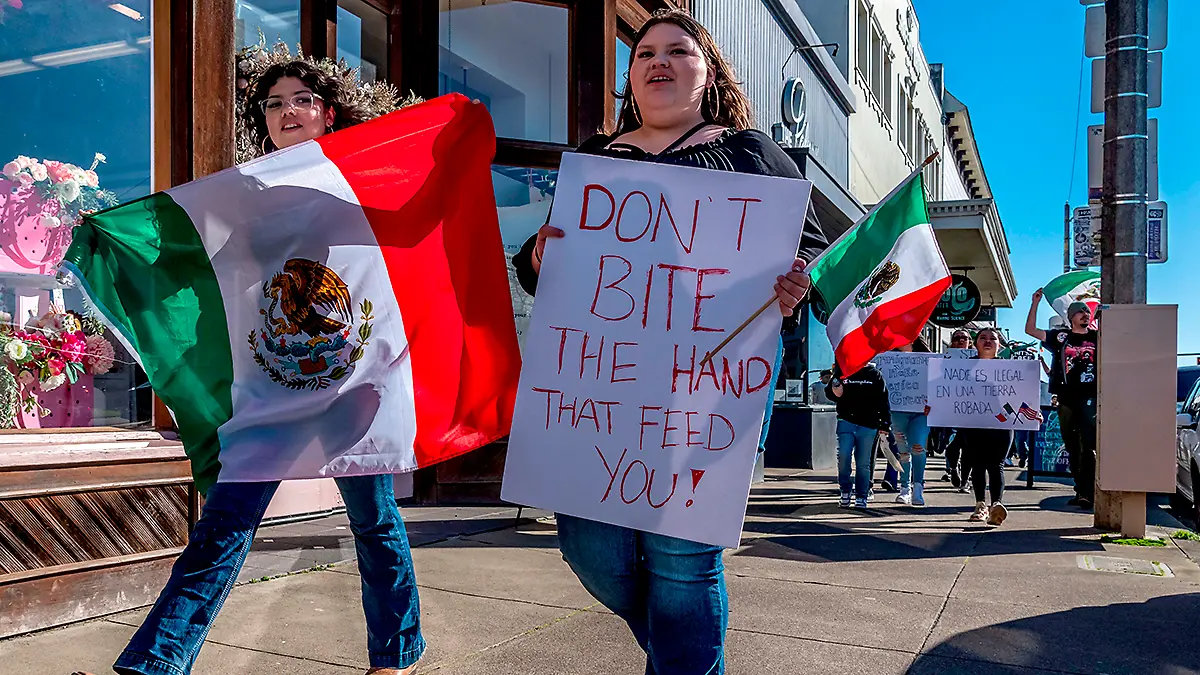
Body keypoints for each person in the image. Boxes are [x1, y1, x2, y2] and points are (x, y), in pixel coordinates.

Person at [79, 61, 425, 675]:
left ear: (329, 111)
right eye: (273, 103)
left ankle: (394, 658)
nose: (287, 109)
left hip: (356, 382)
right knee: (225, 524)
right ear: (262, 121)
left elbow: (417, 228)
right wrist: (117, 235)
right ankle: (155, 664)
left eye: (302, 98)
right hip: (273, 383)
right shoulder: (242, 191)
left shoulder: (361, 178)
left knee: (374, 520)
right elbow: (199, 265)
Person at [511, 10, 827, 673]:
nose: (658, 60)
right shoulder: (598, 159)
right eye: (644, 51)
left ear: (707, 71)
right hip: (603, 386)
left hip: (710, 383)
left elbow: (814, 256)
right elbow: (543, 265)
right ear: (630, 76)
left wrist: (797, 282)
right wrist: (540, 258)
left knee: (683, 558)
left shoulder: (749, 153)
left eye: (678, 51)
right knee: (588, 548)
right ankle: (681, 653)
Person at [1026, 291, 1097, 510]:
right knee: (1071, 445)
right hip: (1066, 398)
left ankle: (1087, 491)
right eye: (1080, 312)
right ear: (1071, 317)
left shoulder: (1098, 337)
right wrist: (1035, 303)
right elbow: (1030, 331)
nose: (1085, 315)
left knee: (1089, 444)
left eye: (1087, 311)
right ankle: (1080, 488)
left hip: (1090, 397)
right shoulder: (1061, 337)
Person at [956, 327, 1012, 525]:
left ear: (999, 344)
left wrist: (1032, 411)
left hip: (1001, 422)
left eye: (993, 338)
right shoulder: (962, 368)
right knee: (978, 463)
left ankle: (996, 506)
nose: (988, 341)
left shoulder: (1011, 369)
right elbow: (950, 392)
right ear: (975, 343)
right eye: (983, 338)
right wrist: (935, 407)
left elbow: (1019, 396)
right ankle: (980, 505)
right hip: (973, 421)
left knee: (997, 465)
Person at [827, 361, 891, 509]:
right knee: (843, 456)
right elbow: (830, 393)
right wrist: (834, 387)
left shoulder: (874, 374)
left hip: (868, 424)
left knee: (863, 463)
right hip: (846, 421)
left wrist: (885, 424)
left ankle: (862, 495)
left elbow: (883, 399)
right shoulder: (843, 370)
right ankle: (845, 490)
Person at [889, 342, 931, 506]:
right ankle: (904, 488)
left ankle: (918, 487)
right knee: (903, 451)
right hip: (897, 411)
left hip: (921, 412)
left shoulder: (928, 359)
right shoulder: (888, 358)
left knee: (918, 446)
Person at [940, 328, 974, 487]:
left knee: (969, 446)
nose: (961, 340)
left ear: (970, 342)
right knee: (952, 443)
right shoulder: (943, 360)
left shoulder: (978, 359)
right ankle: (953, 468)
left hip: (973, 410)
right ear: (952, 342)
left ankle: (965, 480)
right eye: (957, 338)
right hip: (950, 409)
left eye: (965, 338)